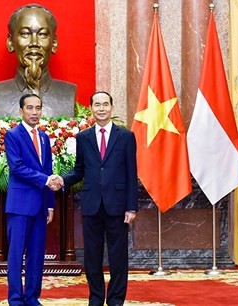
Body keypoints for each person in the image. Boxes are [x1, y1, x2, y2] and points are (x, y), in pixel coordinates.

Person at [57, 91, 139, 306]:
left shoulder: (126, 136)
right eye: (97, 105)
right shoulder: (83, 137)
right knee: (92, 257)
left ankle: (115, 300)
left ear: (112, 107)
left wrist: (131, 207)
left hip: (118, 205)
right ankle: (95, 299)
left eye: (105, 104)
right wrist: (61, 181)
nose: (101, 108)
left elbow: (132, 173)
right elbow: (79, 170)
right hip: (91, 204)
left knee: (118, 257)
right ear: (91, 108)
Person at [4, 93, 62, 306]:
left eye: (38, 108)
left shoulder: (44, 137)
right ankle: (16, 299)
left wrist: (50, 204)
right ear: (21, 110)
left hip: (39, 206)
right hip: (19, 206)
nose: (34, 112)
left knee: (36, 256)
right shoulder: (13, 135)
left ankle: (32, 298)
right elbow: (17, 168)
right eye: (30, 108)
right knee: (16, 255)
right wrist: (47, 180)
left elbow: (47, 170)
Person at [0, 4, 76, 118]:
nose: (34, 43)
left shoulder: (68, 93)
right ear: (11, 42)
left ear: (54, 43)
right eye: (25, 34)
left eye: (42, 34)